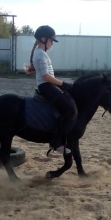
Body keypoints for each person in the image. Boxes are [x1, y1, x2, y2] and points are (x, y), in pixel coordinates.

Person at [25, 25, 77, 154]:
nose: (52, 43)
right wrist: (63, 84)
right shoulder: (41, 54)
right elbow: (46, 76)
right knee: (70, 110)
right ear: (43, 39)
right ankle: (55, 142)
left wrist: (61, 84)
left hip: (48, 85)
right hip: (46, 86)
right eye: (51, 40)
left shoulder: (40, 53)